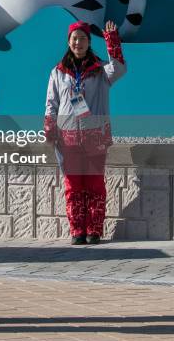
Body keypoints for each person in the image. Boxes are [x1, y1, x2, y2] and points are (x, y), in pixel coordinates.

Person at [45, 20, 126, 245]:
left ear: (89, 42)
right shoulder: (58, 72)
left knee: (94, 184)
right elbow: (51, 103)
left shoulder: (100, 70)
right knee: (73, 185)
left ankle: (94, 230)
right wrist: (50, 129)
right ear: (68, 42)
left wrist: (113, 41)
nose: (78, 43)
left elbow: (119, 68)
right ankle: (77, 230)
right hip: (67, 137)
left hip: (95, 136)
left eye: (82, 39)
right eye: (74, 39)